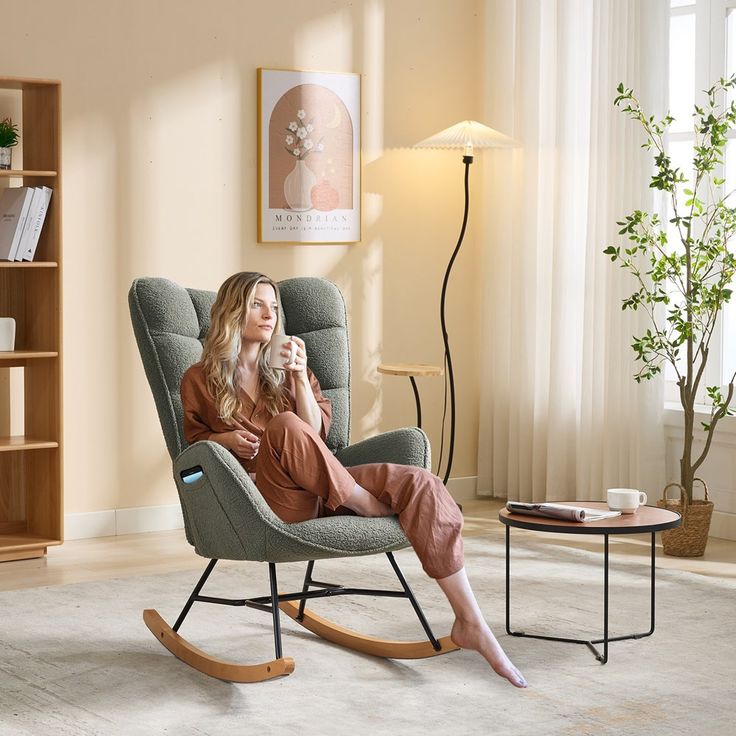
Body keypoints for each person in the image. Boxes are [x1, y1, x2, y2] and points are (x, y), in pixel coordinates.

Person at [180, 271, 527, 689]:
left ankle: (470, 620)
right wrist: (226, 438)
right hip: (265, 502)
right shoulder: (199, 379)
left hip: (325, 486)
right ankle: (359, 499)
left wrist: (296, 377)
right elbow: (195, 452)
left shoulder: (290, 368)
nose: (269, 314)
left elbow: (317, 436)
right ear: (233, 310)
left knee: (420, 484)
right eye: (257, 304)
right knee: (284, 426)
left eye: (274, 306)